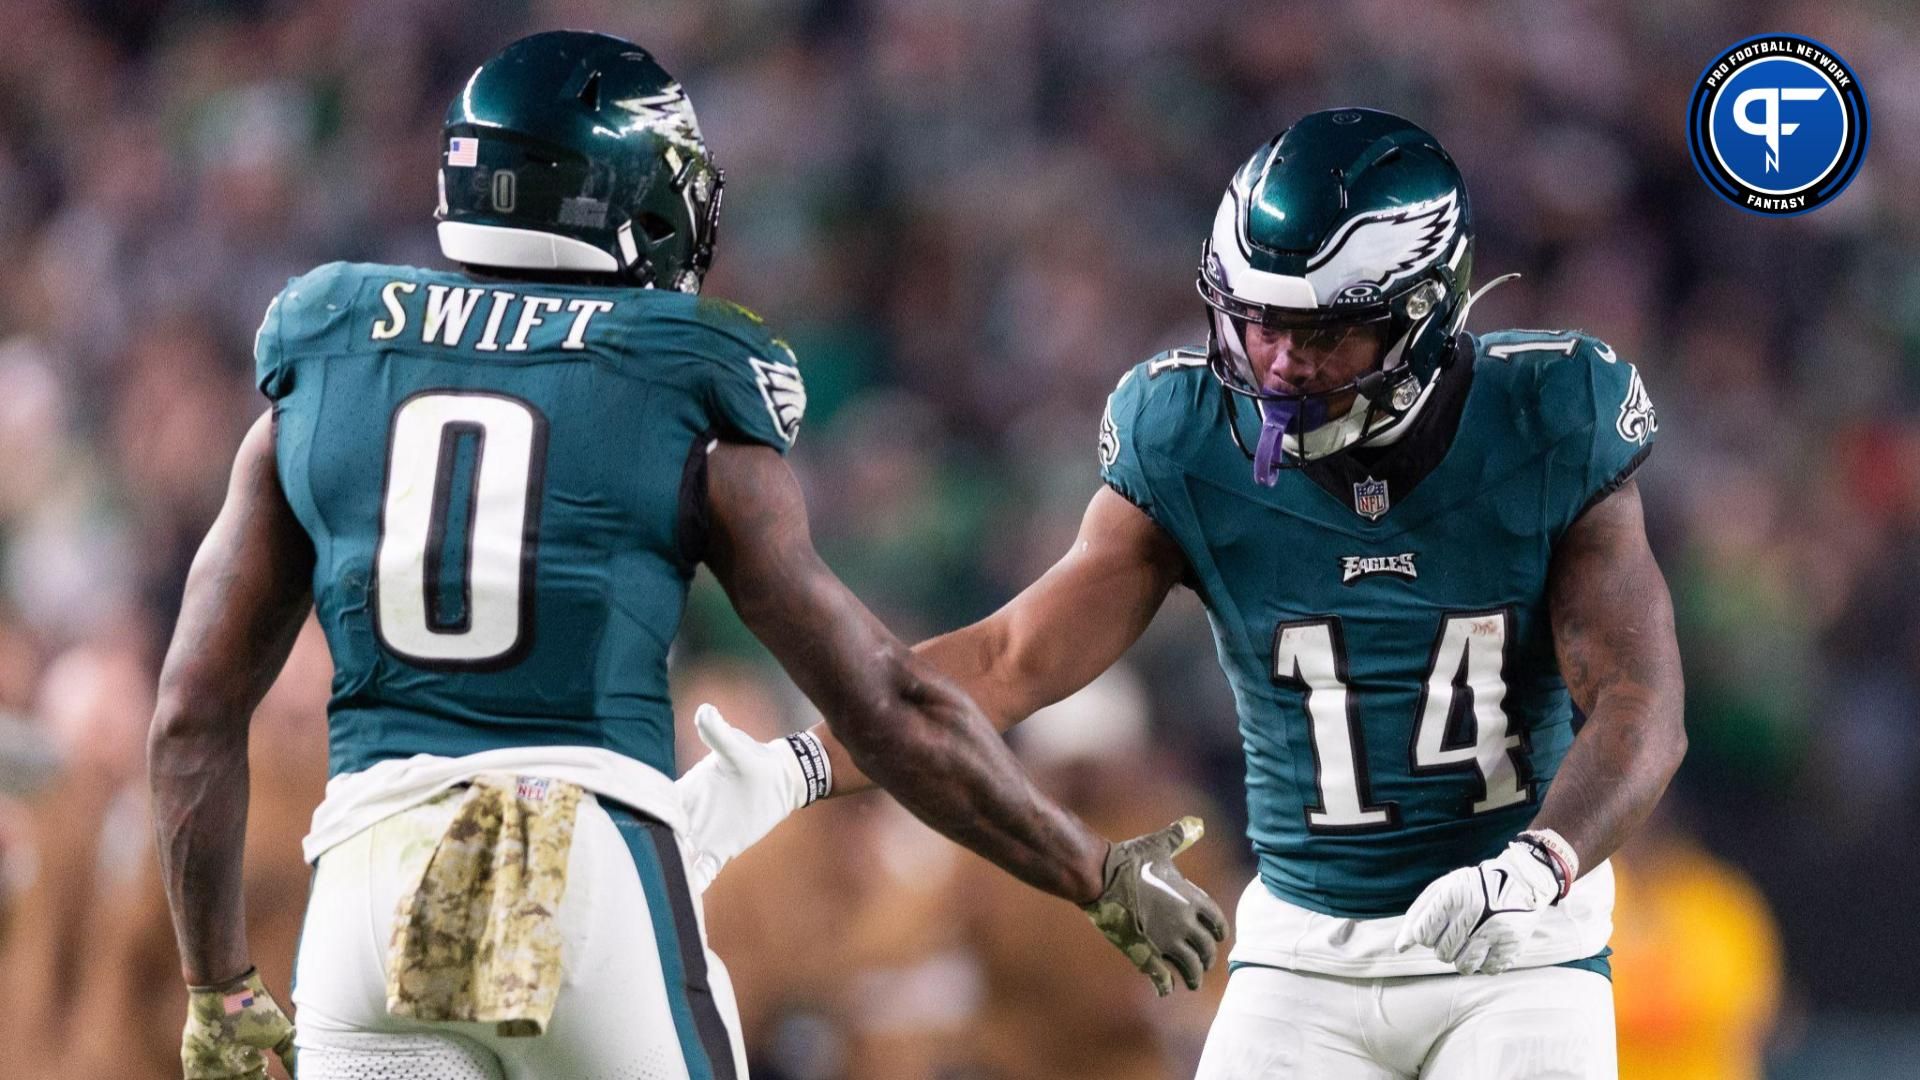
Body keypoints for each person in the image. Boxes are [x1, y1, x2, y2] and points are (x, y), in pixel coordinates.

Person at [145, 30, 1223, 1080]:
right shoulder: (682, 389)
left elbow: (193, 712)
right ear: (630, 195)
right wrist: (1091, 872)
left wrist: (218, 988)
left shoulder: (324, 368)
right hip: (571, 870)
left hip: (365, 898)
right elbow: (889, 707)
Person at [679, 109, 1687, 1079]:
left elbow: (1640, 703)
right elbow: (1008, 660)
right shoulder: (1186, 435)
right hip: (1305, 950)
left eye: (1320, 333)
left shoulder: (1550, 415)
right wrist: (802, 763)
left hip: (1510, 945)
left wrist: (1542, 863)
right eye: (1255, 322)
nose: (1279, 361)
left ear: (1421, 314)